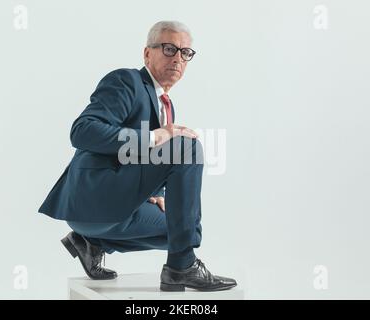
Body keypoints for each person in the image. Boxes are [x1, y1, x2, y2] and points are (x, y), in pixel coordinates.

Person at [38, 21, 237, 292]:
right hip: (93, 199)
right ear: (147, 54)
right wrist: (155, 136)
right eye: (169, 49)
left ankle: (91, 243)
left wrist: (155, 194)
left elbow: (149, 164)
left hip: (108, 214)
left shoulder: (166, 105)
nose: (178, 58)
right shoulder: (127, 81)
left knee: (185, 228)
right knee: (187, 146)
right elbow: (82, 131)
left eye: (185, 53)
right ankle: (181, 267)